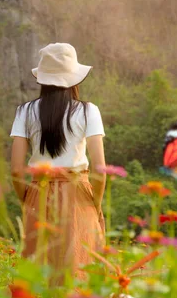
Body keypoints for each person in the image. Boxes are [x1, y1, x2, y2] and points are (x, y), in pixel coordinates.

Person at [10, 42, 106, 280]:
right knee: (81, 271)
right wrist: (97, 204)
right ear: (74, 78)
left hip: (38, 193)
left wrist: (27, 199)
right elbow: (100, 170)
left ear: (42, 78)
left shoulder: (25, 111)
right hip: (78, 194)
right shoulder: (88, 111)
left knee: (37, 273)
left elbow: (15, 171)